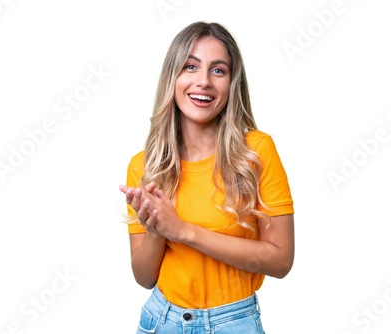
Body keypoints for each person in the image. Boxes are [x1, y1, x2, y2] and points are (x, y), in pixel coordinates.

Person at [119, 21, 294, 334]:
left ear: (232, 83)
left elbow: (280, 261)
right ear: (172, 78)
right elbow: (144, 277)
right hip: (162, 320)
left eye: (218, 70)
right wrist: (158, 230)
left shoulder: (256, 152)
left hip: (234, 322)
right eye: (190, 66)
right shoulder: (145, 165)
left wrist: (184, 231)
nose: (203, 82)